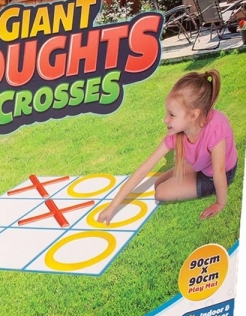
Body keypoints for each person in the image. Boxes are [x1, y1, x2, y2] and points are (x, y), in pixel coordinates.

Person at [97, 69, 237, 225]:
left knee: (161, 192)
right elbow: (144, 168)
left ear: (193, 115)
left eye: (172, 115)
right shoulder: (177, 132)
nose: (165, 119)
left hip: (219, 174)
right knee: (157, 183)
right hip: (201, 165)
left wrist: (220, 203)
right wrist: (112, 207)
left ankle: (195, 177)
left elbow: (219, 170)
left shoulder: (216, 128)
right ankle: (192, 172)